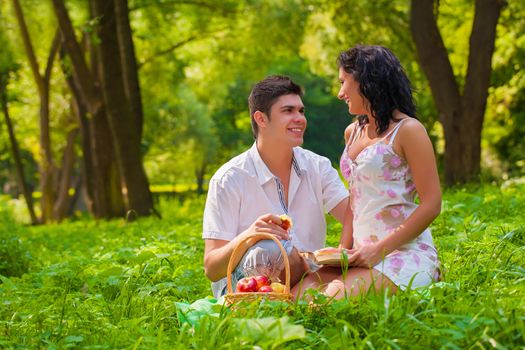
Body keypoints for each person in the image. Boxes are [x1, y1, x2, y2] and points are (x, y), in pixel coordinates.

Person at [293, 45, 441, 298]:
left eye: (343, 82)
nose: (340, 93)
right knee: (296, 296)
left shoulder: (408, 130)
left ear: (367, 81)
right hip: (359, 255)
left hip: (403, 254)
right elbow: (355, 200)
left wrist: (379, 251)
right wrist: (341, 251)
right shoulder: (352, 133)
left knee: (325, 303)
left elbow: (432, 204)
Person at [202, 75, 350, 298]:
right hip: (245, 288)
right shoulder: (229, 179)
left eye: (301, 111)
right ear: (261, 119)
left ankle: (305, 293)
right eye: (288, 110)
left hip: (307, 274)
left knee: (356, 261)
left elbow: (354, 216)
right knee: (270, 250)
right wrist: (249, 236)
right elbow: (212, 268)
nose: (299, 118)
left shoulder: (318, 167)